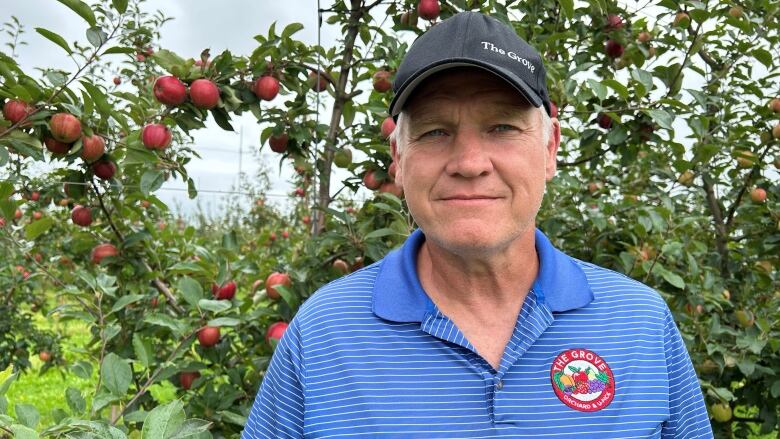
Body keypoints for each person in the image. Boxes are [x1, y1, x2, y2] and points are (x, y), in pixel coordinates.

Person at [242, 11, 714, 438]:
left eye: (502, 128)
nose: (469, 163)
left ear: (550, 150)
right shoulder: (324, 332)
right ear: (398, 161)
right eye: (434, 132)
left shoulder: (641, 323)